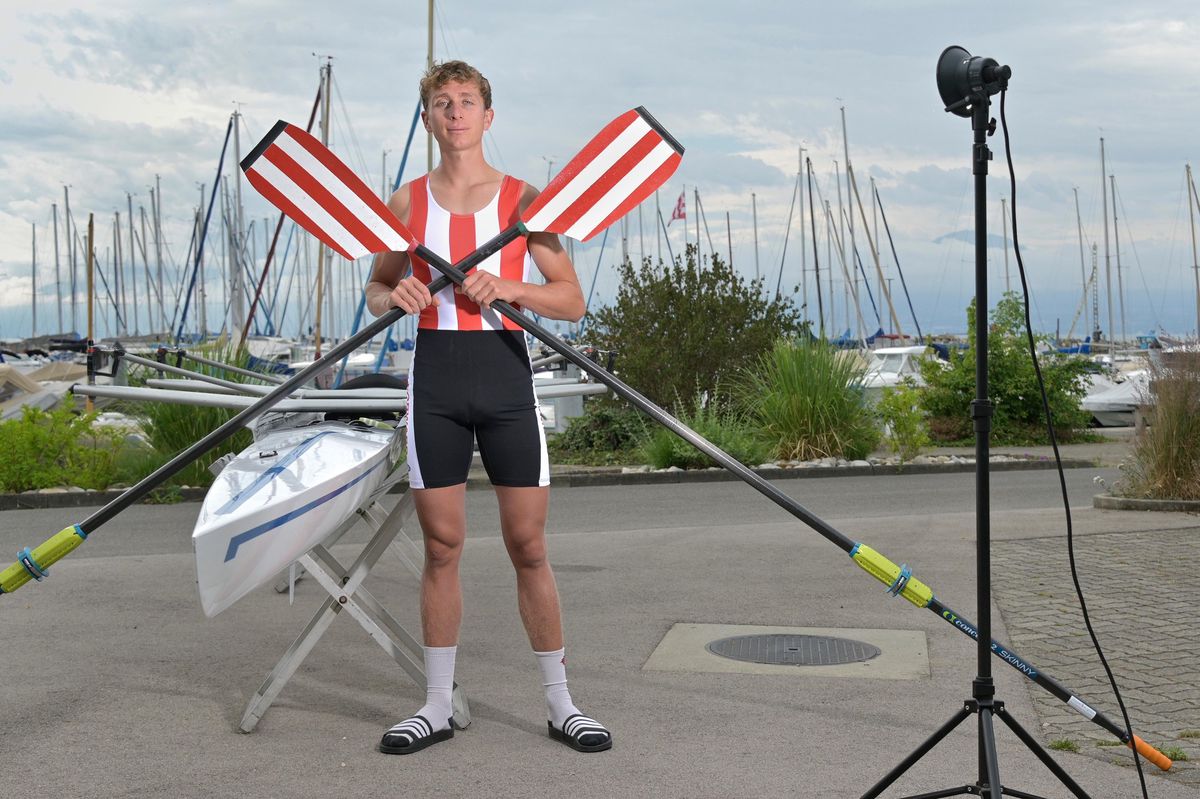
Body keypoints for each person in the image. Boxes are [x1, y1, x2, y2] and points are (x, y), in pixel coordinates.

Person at [364, 60, 611, 756]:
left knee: (528, 545)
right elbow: (377, 289)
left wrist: (510, 286)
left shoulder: (524, 201)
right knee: (441, 547)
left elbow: (572, 299)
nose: (455, 113)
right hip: (436, 382)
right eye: (442, 103)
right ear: (428, 119)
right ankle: (436, 705)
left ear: (488, 115)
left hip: (506, 378)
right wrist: (394, 297)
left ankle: (562, 704)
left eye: (467, 101)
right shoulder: (405, 203)